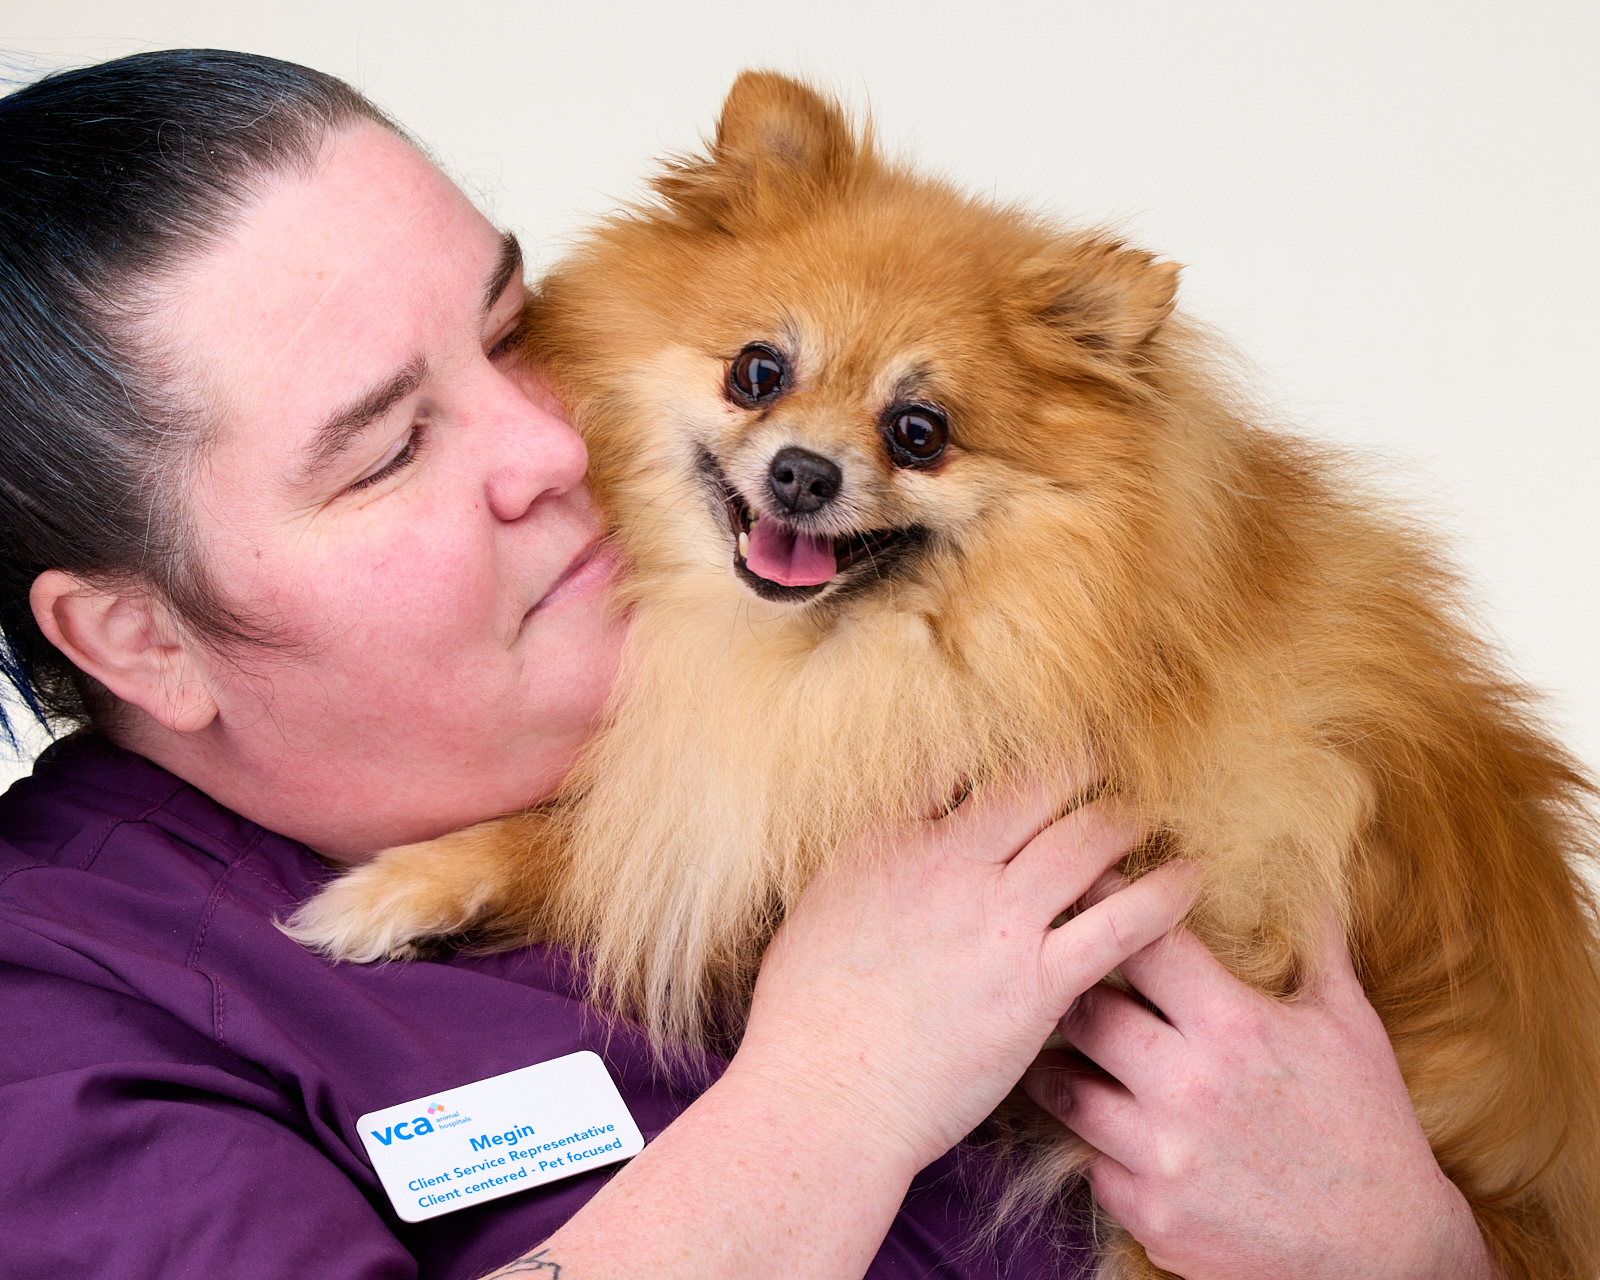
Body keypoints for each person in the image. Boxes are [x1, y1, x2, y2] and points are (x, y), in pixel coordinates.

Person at [0, 50, 1500, 1280]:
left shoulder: (866, 702)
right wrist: (835, 1093)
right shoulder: (56, 1017)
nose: (549, 438)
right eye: (391, 449)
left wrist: (1415, 1252)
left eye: (513, 331)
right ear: (133, 637)